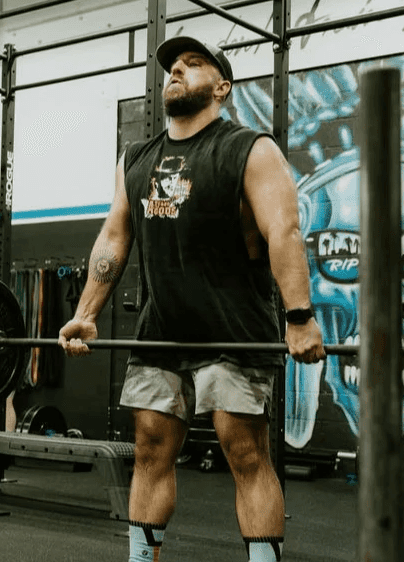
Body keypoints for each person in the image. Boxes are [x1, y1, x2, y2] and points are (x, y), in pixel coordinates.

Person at [57, 36, 325, 562]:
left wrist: (299, 317)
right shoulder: (136, 159)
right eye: (173, 66)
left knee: (245, 453)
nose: (177, 70)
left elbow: (284, 232)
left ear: (222, 87)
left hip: (234, 330)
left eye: (193, 63)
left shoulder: (249, 149)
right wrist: (86, 314)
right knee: (150, 450)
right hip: (162, 330)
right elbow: (114, 238)